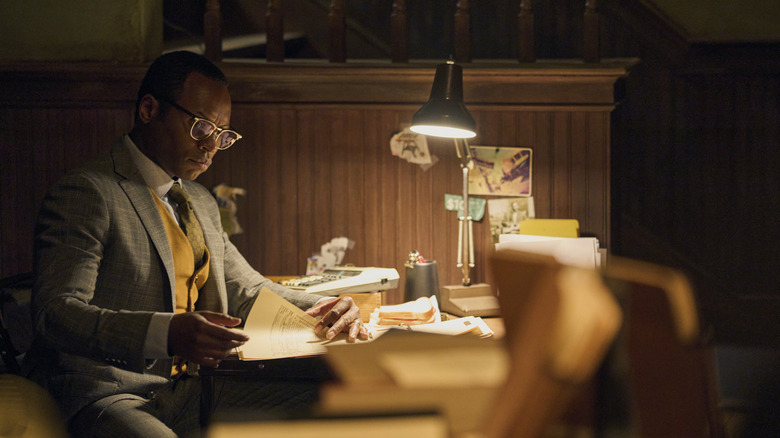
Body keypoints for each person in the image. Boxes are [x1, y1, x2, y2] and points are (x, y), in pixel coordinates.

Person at [24, 51, 368, 437]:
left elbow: (247, 289)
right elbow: (55, 314)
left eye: (222, 135)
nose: (212, 146)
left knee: (347, 399)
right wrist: (167, 334)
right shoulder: (89, 191)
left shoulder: (199, 200)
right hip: (107, 393)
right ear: (150, 110)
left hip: (193, 389)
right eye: (201, 127)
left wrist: (327, 307)